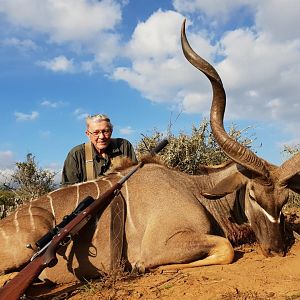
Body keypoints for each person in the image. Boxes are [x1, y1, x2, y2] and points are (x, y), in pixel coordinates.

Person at [61, 114, 137, 185]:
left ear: (111, 131)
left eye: (106, 131)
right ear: (88, 134)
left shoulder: (124, 146)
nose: (101, 137)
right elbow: (68, 190)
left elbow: (135, 177)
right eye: (96, 132)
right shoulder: (76, 154)